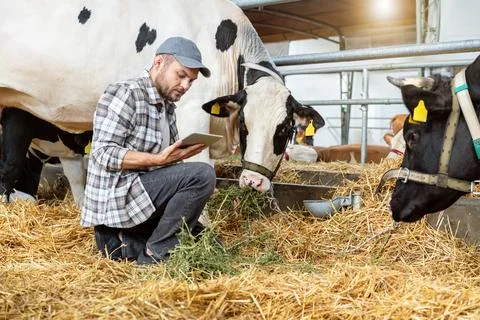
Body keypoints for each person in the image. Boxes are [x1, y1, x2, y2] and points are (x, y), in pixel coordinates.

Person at [81, 36, 216, 265]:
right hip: (118, 212)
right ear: (159, 63)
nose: (185, 86)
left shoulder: (167, 108)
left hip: (141, 207)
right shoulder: (127, 93)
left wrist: (178, 160)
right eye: (181, 75)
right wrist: (159, 159)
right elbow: (102, 153)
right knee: (203, 174)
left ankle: (137, 247)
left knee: (209, 244)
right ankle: (154, 257)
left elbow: (170, 175)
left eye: (191, 81)